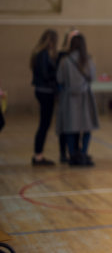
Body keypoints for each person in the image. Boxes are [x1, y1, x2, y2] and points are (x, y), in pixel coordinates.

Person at [56, 34, 99, 166]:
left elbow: (60, 79)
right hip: (85, 96)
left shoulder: (65, 61)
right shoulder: (88, 60)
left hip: (69, 97)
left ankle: (73, 155)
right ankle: (84, 153)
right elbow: (92, 77)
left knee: (70, 127)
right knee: (86, 127)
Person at [30, 29, 59, 166]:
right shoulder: (43, 55)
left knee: (44, 124)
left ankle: (38, 154)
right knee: (44, 124)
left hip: (44, 90)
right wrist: (57, 74)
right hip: (45, 91)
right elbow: (45, 74)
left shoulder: (41, 54)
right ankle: (38, 155)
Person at [56, 27, 79, 162]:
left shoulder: (81, 55)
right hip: (65, 94)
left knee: (77, 124)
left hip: (78, 95)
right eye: (72, 36)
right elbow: (59, 77)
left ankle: (75, 151)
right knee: (64, 125)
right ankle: (63, 153)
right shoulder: (62, 56)